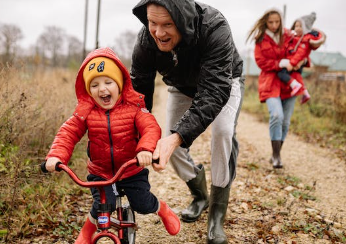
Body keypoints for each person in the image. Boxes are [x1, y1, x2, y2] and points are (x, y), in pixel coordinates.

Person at [131, 1, 244, 243]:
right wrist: (136, 136)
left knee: (223, 132)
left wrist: (178, 136)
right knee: (171, 143)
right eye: (153, 23)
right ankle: (200, 195)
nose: (159, 33)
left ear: (182, 19)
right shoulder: (145, 40)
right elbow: (139, 93)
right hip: (180, 87)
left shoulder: (215, 27)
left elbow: (214, 92)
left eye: (167, 24)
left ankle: (216, 215)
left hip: (223, 82)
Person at [44, 47, 180, 243]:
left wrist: (145, 150)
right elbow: (68, 132)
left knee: (141, 203)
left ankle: (162, 209)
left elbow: (150, 128)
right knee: (101, 205)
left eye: (108, 82)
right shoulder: (86, 112)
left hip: (131, 168)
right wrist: (56, 155)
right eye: (95, 85)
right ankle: (86, 232)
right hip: (101, 172)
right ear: (88, 90)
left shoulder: (133, 108)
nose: (102, 89)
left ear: (120, 84)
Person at [247, 9, 325, 169]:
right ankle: (276, 156)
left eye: (277, 22)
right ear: (265, 22)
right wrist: (280, 64)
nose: (274, 25)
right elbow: (261, 62)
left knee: (285, 122)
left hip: (290, 82)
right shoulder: (260, 39)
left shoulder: (288, 34)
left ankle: (277, 154)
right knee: (276, 115)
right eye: (271, 22)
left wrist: (305, 58)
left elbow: (305, 44)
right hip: (270, 82)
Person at [277, 12, 326, 104]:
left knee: (281, 73)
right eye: (296, 26)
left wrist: (292, 63)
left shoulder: (304, 40)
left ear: (306, 28)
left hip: (293, 63)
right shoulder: (295, 38)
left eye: (300, 26)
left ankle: (295, 85)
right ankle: (305, 93)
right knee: (296, 76)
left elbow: (300, 53)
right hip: (294, 62)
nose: (297, 28)